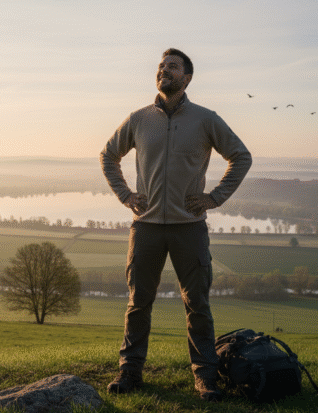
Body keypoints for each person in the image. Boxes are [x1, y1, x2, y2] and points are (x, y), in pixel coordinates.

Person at [100, 48, 252, 402]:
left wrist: (215, 197)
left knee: (197, 304)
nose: (164, 71)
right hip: (146, 227)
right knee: (138, 302)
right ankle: (130, 372)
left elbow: (241, 156)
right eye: (160, 66)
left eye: (172, 66)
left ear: (187, 78)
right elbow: (109, 155)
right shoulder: (138, 119)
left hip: (189, 228)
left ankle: (205, 379)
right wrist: (125, 195)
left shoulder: (205, 119)